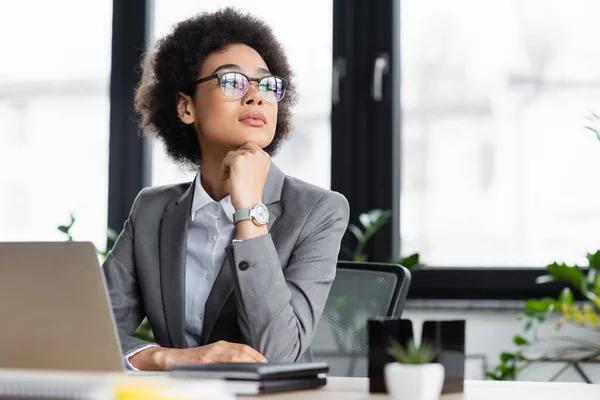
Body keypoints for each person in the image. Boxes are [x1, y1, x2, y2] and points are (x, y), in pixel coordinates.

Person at [102, 8, 349, 371]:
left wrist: (249, 209)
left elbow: (278, 355)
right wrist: (170, 358)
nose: (256, 97)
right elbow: (97, 330)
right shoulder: (152, 210)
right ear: (186, 107)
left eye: (267, 85)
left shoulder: (318, 211)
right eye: (232, 82)